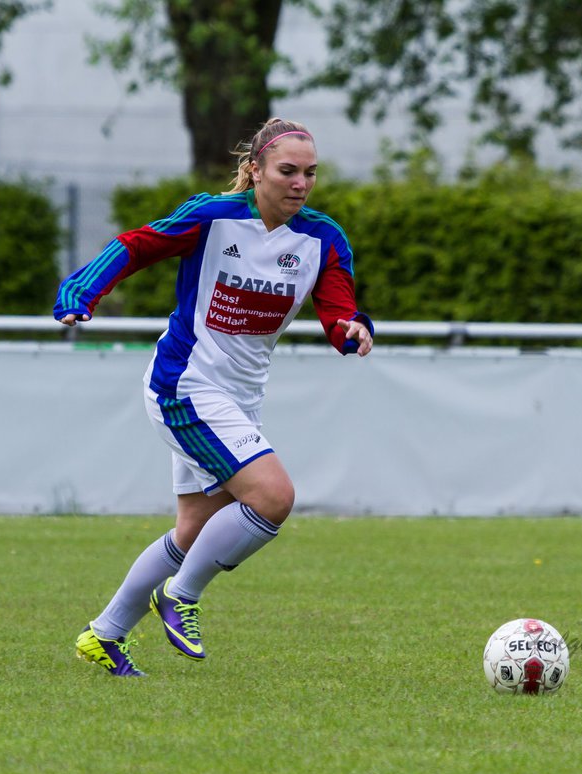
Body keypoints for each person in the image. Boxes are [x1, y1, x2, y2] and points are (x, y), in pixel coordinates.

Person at [57, 118, 373, 677]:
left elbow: (338, 306)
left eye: (310, 173)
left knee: (195, 530)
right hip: (184, 384)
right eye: (288, 171)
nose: (301, 183)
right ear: (255, 171)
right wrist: (81, 292)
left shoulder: (323, 239)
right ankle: (180, 597)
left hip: (238, 398)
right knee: (273, 497)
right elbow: (135, 246)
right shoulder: (214, 217)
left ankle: (104, 635)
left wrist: (352, 328)